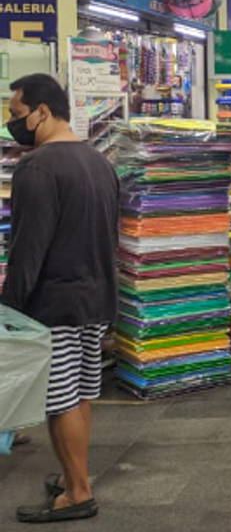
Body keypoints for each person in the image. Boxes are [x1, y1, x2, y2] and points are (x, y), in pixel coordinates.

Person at [1, 74, 119, 523]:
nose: (14, 124)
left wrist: (10, 311)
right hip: (96, 297)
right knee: (83, 392)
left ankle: (78, 492)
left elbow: (28, 248)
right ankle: (76, 476)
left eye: (16, 114)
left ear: (43, 111)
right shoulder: (99, 162)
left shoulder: (39, 167)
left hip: (57, 303)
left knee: (60, 399)